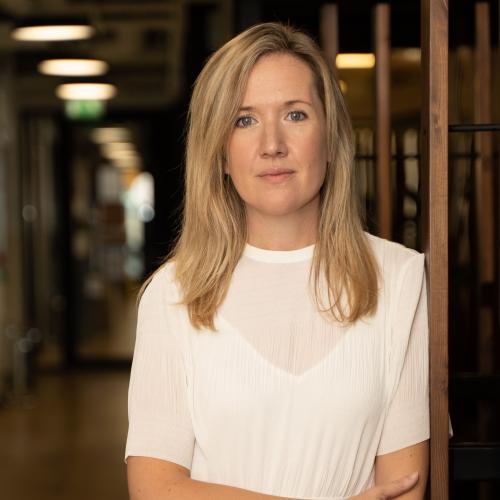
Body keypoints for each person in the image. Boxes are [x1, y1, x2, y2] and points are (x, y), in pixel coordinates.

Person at [125, 22, 450, 500]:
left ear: (331, 136)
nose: (272, 144)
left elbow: (402, 489)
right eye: (244, 120)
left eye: (295, 115)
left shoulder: (399, 280)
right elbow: (155, 490)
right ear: (220, 153)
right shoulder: (173, 294)